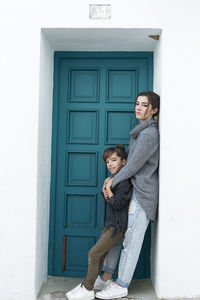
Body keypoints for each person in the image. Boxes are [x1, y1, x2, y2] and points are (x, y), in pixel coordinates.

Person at [95, 91, 160, 299]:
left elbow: (133, 164)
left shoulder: (149, 134)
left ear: (154, 110)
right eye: (137, 104)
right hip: (134, 191)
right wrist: (112, 180)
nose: (138, 108)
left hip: (143, 196)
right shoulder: (141, 132)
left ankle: (121, 285)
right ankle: (106, 277)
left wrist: (113, 180)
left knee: (131, 242)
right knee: (119, 237)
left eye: (144, 105)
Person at [66, 145, 133, 300]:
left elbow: (117, 204)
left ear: (123, 162)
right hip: (110, 225)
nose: (110, 164)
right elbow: (110, 201)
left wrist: (109, 189)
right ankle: (93, 285)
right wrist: (106, 187)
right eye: (107, 161)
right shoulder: (115, 180)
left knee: (94, 254)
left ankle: (87, 289)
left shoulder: (124, 182)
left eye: (114, 160)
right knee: (100, 255)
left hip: (117, 228)